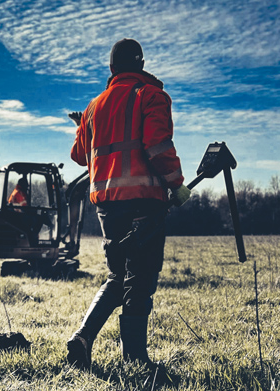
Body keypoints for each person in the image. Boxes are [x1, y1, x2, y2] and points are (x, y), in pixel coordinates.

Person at [67, 38, 191, 371]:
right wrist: (177, 185)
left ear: (111, 69)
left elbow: (79, 156)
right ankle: (135, 360)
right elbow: (158, 146)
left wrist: (84, 125)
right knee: (141, 278)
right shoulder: (151, 96)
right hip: (144, 203)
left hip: (107, 206)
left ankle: (82, 336)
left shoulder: (93, 107)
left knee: (118, 275)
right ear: (141, 64)